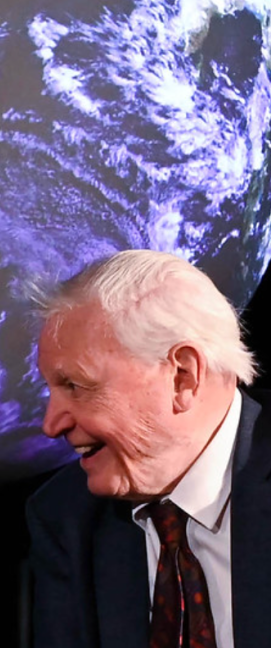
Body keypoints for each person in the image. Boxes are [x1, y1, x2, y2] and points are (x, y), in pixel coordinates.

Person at [26, 250, 269, 648]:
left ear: (182, 377)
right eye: (50, 389)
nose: (52, 424)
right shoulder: (65, 517)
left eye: (76, 386)